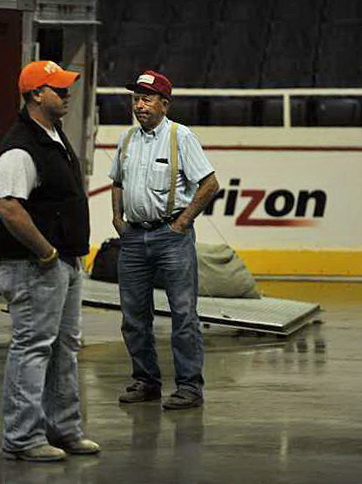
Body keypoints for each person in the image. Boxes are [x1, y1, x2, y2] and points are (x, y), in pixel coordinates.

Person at [0, 60, 100, 461]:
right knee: (34, 346)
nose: (67, 93)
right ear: (36, 94)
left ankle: (64, 430)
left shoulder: (52, 136)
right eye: (58, 88)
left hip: (63, 263)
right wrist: (46, 252)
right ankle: (23, 438)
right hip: (35, 265)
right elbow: (9, 208)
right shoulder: (20, 147)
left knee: (64, 347)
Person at [110, 70, 219, 410]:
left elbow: (210, 184)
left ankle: (189, 387)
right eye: (136, 98)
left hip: (170, 237)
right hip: (133, 238)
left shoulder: (180, 137)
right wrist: (117, 219)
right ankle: (146, 381)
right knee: (133, 316)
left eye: (146, 98)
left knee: (183, 314)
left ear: (164, 103)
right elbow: (117, 181)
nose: (139, 105)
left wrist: (183, 223)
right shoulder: (127, 139)